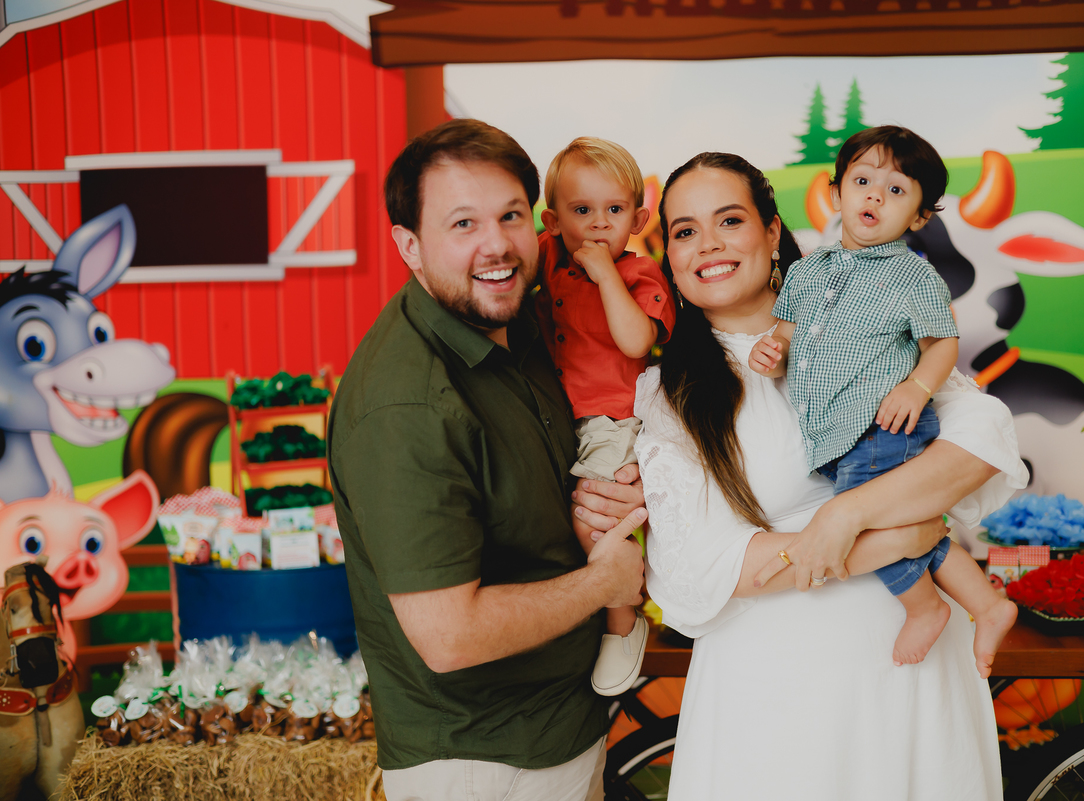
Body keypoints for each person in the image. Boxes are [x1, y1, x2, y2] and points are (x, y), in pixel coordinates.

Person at [636, 151, 1028, 800]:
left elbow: (979, 439)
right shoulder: (667, 393)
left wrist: (845, 515)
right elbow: (699, 566)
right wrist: (892, 538)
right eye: (684, 230)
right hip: (774, 699)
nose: (708, 244)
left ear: (771, 231)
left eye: (729, 220)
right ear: (670, 257)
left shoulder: (865, 331)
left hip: (913, 683)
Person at [327, 119, 646, 801]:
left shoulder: (523, 319)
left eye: (510, 216)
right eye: (463, 223)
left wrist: (624, 484)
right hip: (484, 762)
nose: (496, 244)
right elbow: (450, 635)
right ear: (409, 245)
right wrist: (604, 583)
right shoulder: (404, 406)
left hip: (564, 729)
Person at [748, 126, 1016, 668]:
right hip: (834, 431)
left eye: (896, 191)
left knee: (870, 525)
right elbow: (788, 333)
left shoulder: (912, 276)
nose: (874, 196)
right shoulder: (806, 271)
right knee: (898, 526)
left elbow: (942, 343)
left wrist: (917, 387)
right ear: (836, 192)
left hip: (882, 426)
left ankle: (925, 608)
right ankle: (988, 605)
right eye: (863, 182)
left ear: (919, 217)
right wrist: (772, 351)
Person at [537, 136, 676, 696]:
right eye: (581, 210)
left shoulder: (639, 275)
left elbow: (637, 340)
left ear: (638, 220)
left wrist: (605, 275)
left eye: (614, 210)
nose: (598, 224)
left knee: (593, 518)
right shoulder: (549, 257)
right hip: (554, 414)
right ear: (553, 222)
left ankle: (624, 619)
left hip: (612, 417)